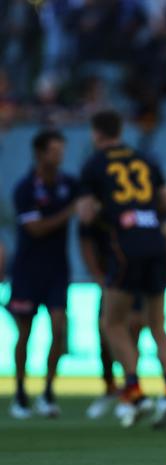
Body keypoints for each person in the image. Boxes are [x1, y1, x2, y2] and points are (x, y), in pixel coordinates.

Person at [77, 110, 166, 428]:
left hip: (125, 247)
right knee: (157, 324)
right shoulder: (146, 159)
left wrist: (107, 212)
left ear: (96, 133)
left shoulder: (94, 165)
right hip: (155, 244)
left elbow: (84, 215)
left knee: (112, 322)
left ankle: (134, 391)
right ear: (121, 129)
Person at [8, 129, 78, 419]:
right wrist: (69, 211)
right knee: (25, 332)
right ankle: (21, 393)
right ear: (39, 153)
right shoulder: (25, 188)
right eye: (54, 150)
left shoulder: (69, 184)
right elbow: (35, 229)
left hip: (57, 270)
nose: (59, 155)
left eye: (61, 150)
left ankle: (48, 391)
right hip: (27, 270)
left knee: (58, 328)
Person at [80, 215, 146, 420]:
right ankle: (110, 386)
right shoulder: (96, 210)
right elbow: (86, 242)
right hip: (112, 277)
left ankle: (130, 391)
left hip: (135, 274)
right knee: (105, 331)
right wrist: (98, 276)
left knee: (133, 329)